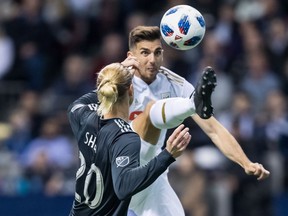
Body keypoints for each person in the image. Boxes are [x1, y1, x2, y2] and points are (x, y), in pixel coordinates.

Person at [119, 26, 270, 216]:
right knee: (151, 113)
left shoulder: (174, 83)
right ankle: (190, 105)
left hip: (152, 172)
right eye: (145, 53)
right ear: (131, 55)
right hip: (117, 171)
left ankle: (192, 104)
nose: (152, 60)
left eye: (157, 52)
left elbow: (213, 128)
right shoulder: (117, 81)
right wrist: (118, 77)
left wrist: (246, 163)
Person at [67, 62, 192, 216]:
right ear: (131, 90)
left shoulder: (85, 117)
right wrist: (167, 155)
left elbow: (75, 106)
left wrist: (113, 74)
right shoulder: (125, 137)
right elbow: (124, 187)